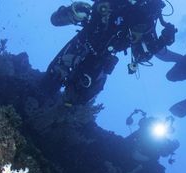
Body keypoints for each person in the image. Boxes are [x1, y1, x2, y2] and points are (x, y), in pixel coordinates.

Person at [42, 1, 176, 103]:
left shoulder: (148, 16)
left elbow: (142, 55)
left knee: (79, 98)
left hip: (102, 57)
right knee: (50, 82)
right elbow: (55, 20)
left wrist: (163, 40)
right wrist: (76, 12)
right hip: (84, 42)